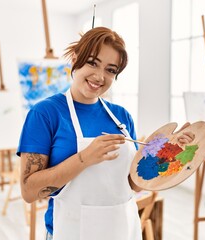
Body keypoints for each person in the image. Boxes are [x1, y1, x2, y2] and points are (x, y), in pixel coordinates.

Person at [17, 26, 194, 240]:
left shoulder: (121, 117)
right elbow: (29, 192)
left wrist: (165, 154)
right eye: (92, 63)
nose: (100, 76)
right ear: (75, 58)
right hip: (71, 231)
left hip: (122, 231)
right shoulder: (45, 114)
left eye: (111, 70)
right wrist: (84, 158)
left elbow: (133, 184)